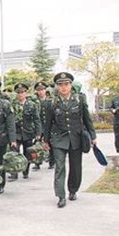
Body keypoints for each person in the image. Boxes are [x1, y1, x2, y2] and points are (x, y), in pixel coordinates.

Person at [45, 72, 96, 208]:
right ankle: (61, 196)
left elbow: (87, 119)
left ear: (71, 85)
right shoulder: (52, 102)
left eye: (66, 84)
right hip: (58, 139)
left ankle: (73, 190)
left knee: (75, 167)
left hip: (76, 138)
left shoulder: (79, 99)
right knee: (59, 167)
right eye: (60, 85)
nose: (63, 87)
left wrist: (93, 136)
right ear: (57, 86)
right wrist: (45, 140)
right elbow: (48, 123)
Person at [10, 83, 41, 180]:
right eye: (18, 92)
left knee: (27, 153)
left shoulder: (31, 105)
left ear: (25, 93)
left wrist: (38, 133)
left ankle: (25, 171)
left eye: (22, 92)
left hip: (28, 132)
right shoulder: (13, 104)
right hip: (16, 132)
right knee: (15, 152)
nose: (20, 94)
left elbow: (36, 119)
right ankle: (14, 173)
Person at [34, 81, 55, 169]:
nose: (40, 92)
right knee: (36, 145)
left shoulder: (50, 101)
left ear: (45, 90)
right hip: (38, 126)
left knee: (50, 144)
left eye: (42, 89)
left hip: (48, 126)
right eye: (39, 90)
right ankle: (37, 162)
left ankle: (51, 161)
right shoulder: (34, 101)